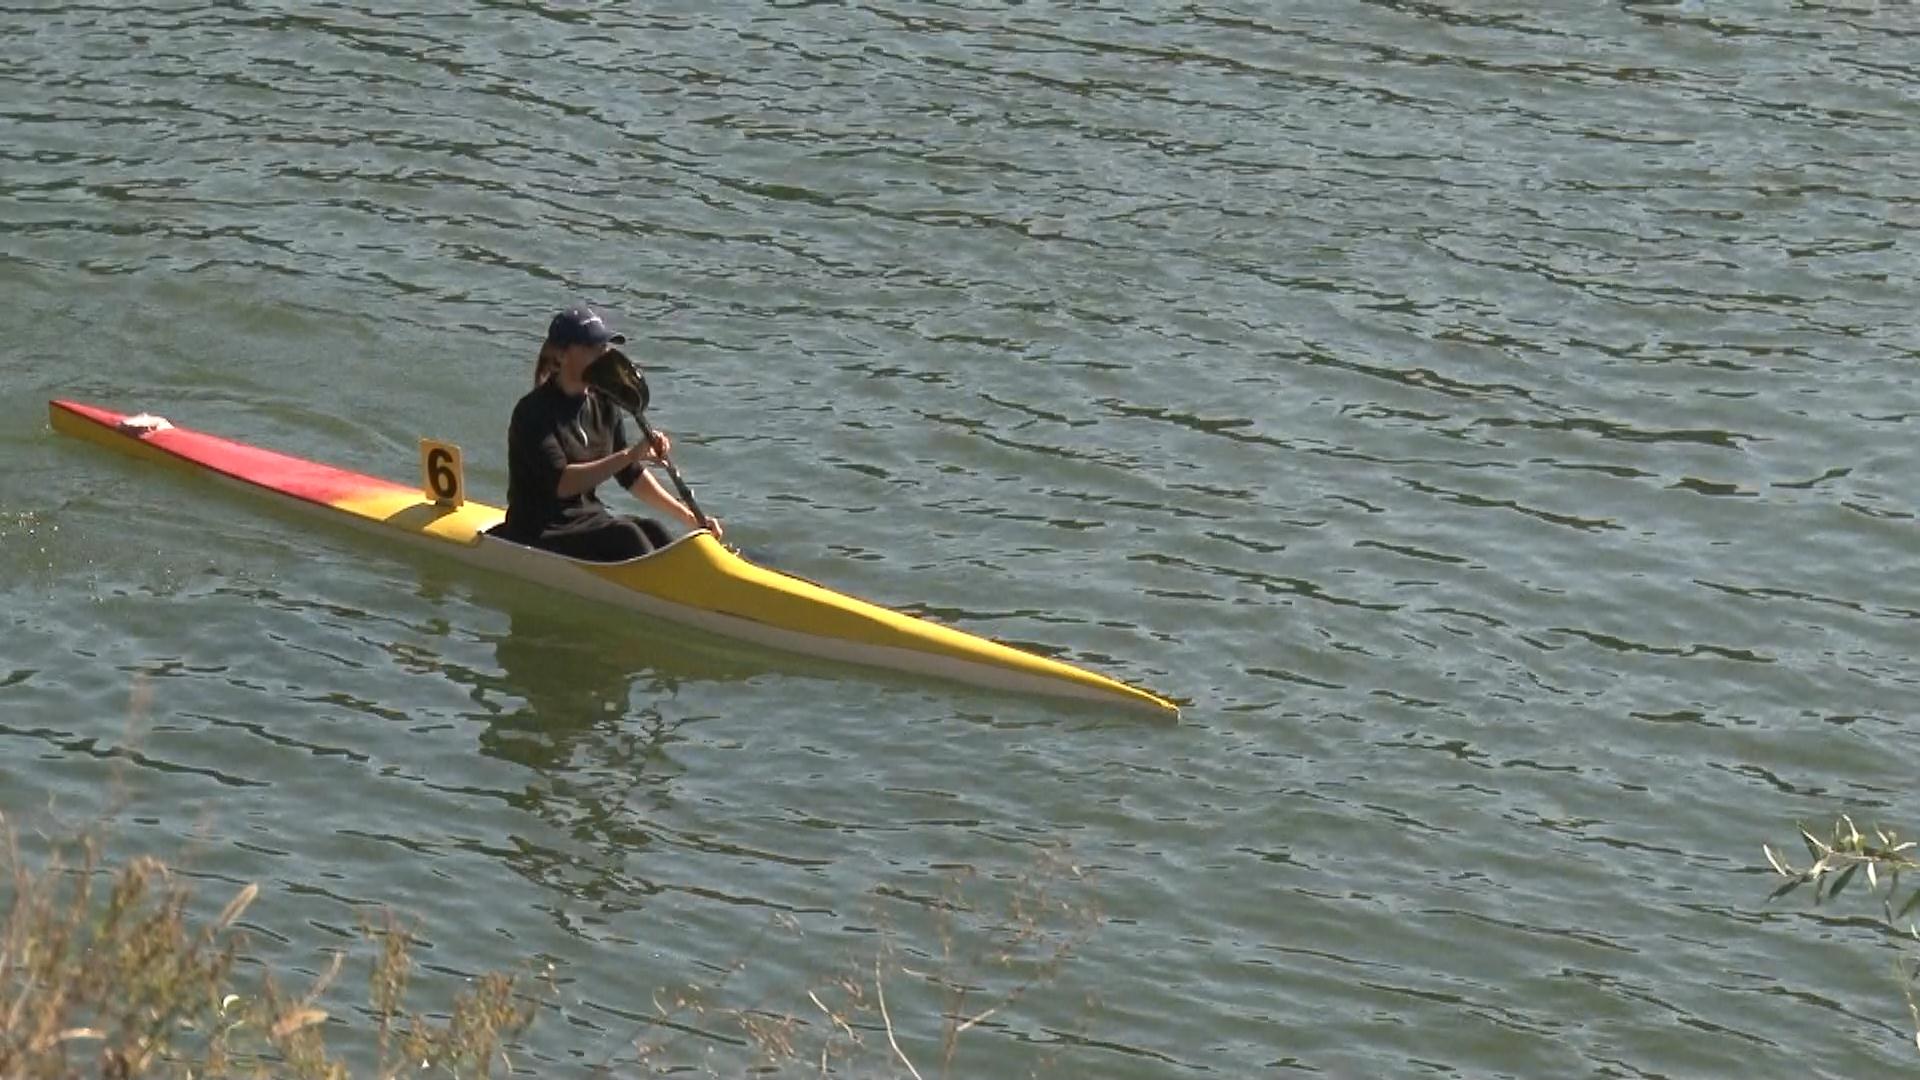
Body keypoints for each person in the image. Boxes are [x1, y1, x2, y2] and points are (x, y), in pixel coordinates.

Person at [502, 305, 721, 561]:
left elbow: (630, 475)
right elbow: (562, 484)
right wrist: (630, 455)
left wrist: (689, 517)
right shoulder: (532, 412)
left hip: (588, 520)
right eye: (592, 347)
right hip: (537, 529)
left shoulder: (604, 402)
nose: (603, 355)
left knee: (654, 530)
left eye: (604, 346)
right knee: (628, 536)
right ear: (561, 354)